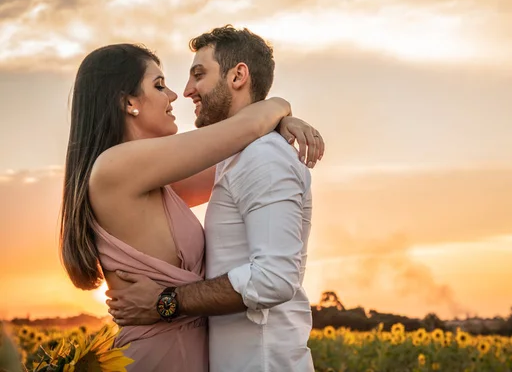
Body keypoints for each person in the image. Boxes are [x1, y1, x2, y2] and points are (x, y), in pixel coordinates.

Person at [60, 39, 323, 371]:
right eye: (159, 85)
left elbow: (237, 153)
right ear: (129, 102)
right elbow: (247, 128)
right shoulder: (115, 167)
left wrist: (276, 125)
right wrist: (281, 107)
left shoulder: (154, 181)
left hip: (190, 349)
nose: (174, 95)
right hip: (163, 354)